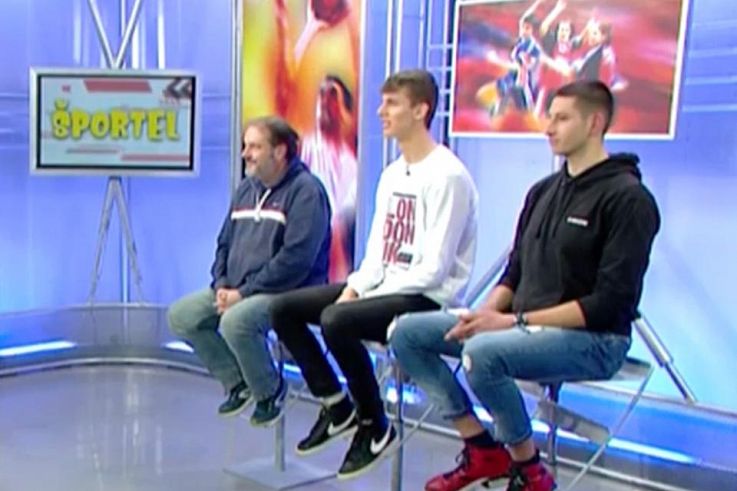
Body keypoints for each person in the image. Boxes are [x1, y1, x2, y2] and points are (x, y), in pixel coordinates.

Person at [391, 80, 660, 491]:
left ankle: (529, 470)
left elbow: (610, 303)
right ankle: (481, 447)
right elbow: (515, 271)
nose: (548, 127)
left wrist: (511, 322)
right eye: (549, 117)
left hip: (594, 340)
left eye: (561, 118)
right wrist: (485, 314)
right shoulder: (542, 192)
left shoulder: (629, 199)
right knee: (407, 333)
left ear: (595, 123)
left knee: (483, 354)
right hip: (520, 327)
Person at [269, 69, 479, 480]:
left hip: (429, 298)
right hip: (386, 288)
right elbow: (377, 255)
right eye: (382, 103)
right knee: (284, 309)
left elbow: (434, 269)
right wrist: (356, 287)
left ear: (420, 110)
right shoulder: (392, 174)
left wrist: (365, 297)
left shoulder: (448, 176)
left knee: (337, 320)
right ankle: (336, 405)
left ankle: (374, 424)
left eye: (392, 104)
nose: (381, 112)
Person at [167, 116, 331, 426]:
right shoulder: (246, 188)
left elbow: (296, 260)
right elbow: (224, 243)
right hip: (236, 288)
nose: (245, 154)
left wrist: (243, 293)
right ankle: (238, 382)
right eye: (245, 146)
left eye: (254, 147)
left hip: (288, 293)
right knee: (182, 316)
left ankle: (269, 391)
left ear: (279, 151)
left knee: (236, 322)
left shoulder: (307, 192)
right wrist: (221, 284)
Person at [300, 75, 358, 282]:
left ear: (346, 111)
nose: (325, 102)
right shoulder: (304, 149)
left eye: (332, 95)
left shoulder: (353, 163)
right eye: (321, 95)